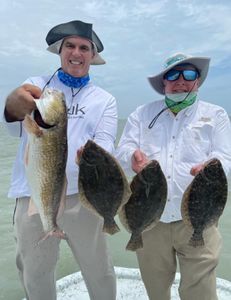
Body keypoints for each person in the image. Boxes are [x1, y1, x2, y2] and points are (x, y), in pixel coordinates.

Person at [3, 20, 117, 300]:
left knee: (99, 270)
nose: (76, 53)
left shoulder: (104, 100)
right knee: (35, 272)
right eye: (70, 46)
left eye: (84, 48)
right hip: (34, 194)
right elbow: (13, 126)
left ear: (92, 56)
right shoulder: (36, 85)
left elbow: (105, 143)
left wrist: (94, 157)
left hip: (83, 198)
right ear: (60, 51)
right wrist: (11, 106)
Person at [116, 52, 231, 300]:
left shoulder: (216, 115)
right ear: (163, 82)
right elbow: (122, 152)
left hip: (199, 218)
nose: (181, 80)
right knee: (156, 289)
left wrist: (213, 166)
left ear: (198, 80)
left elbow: (226, 158)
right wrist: (131, 157)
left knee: (200, 292)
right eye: (173, 74)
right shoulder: (141, 114)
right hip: (149, 219)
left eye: (189, 74)